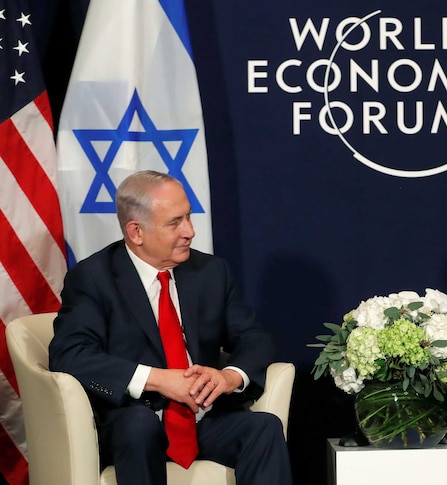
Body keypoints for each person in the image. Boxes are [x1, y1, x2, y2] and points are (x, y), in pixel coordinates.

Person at [49, 171, 292, 485]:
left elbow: (253, 337)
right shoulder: (94, 279)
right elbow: (70, 355)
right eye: (174, 222)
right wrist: (159, 380)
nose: (190, 231)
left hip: (200, 420)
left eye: (189, 217)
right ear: (136, 232)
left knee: (264, 427)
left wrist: (228, 376)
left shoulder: (210, 272)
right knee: (138, 424)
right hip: (131, 424)